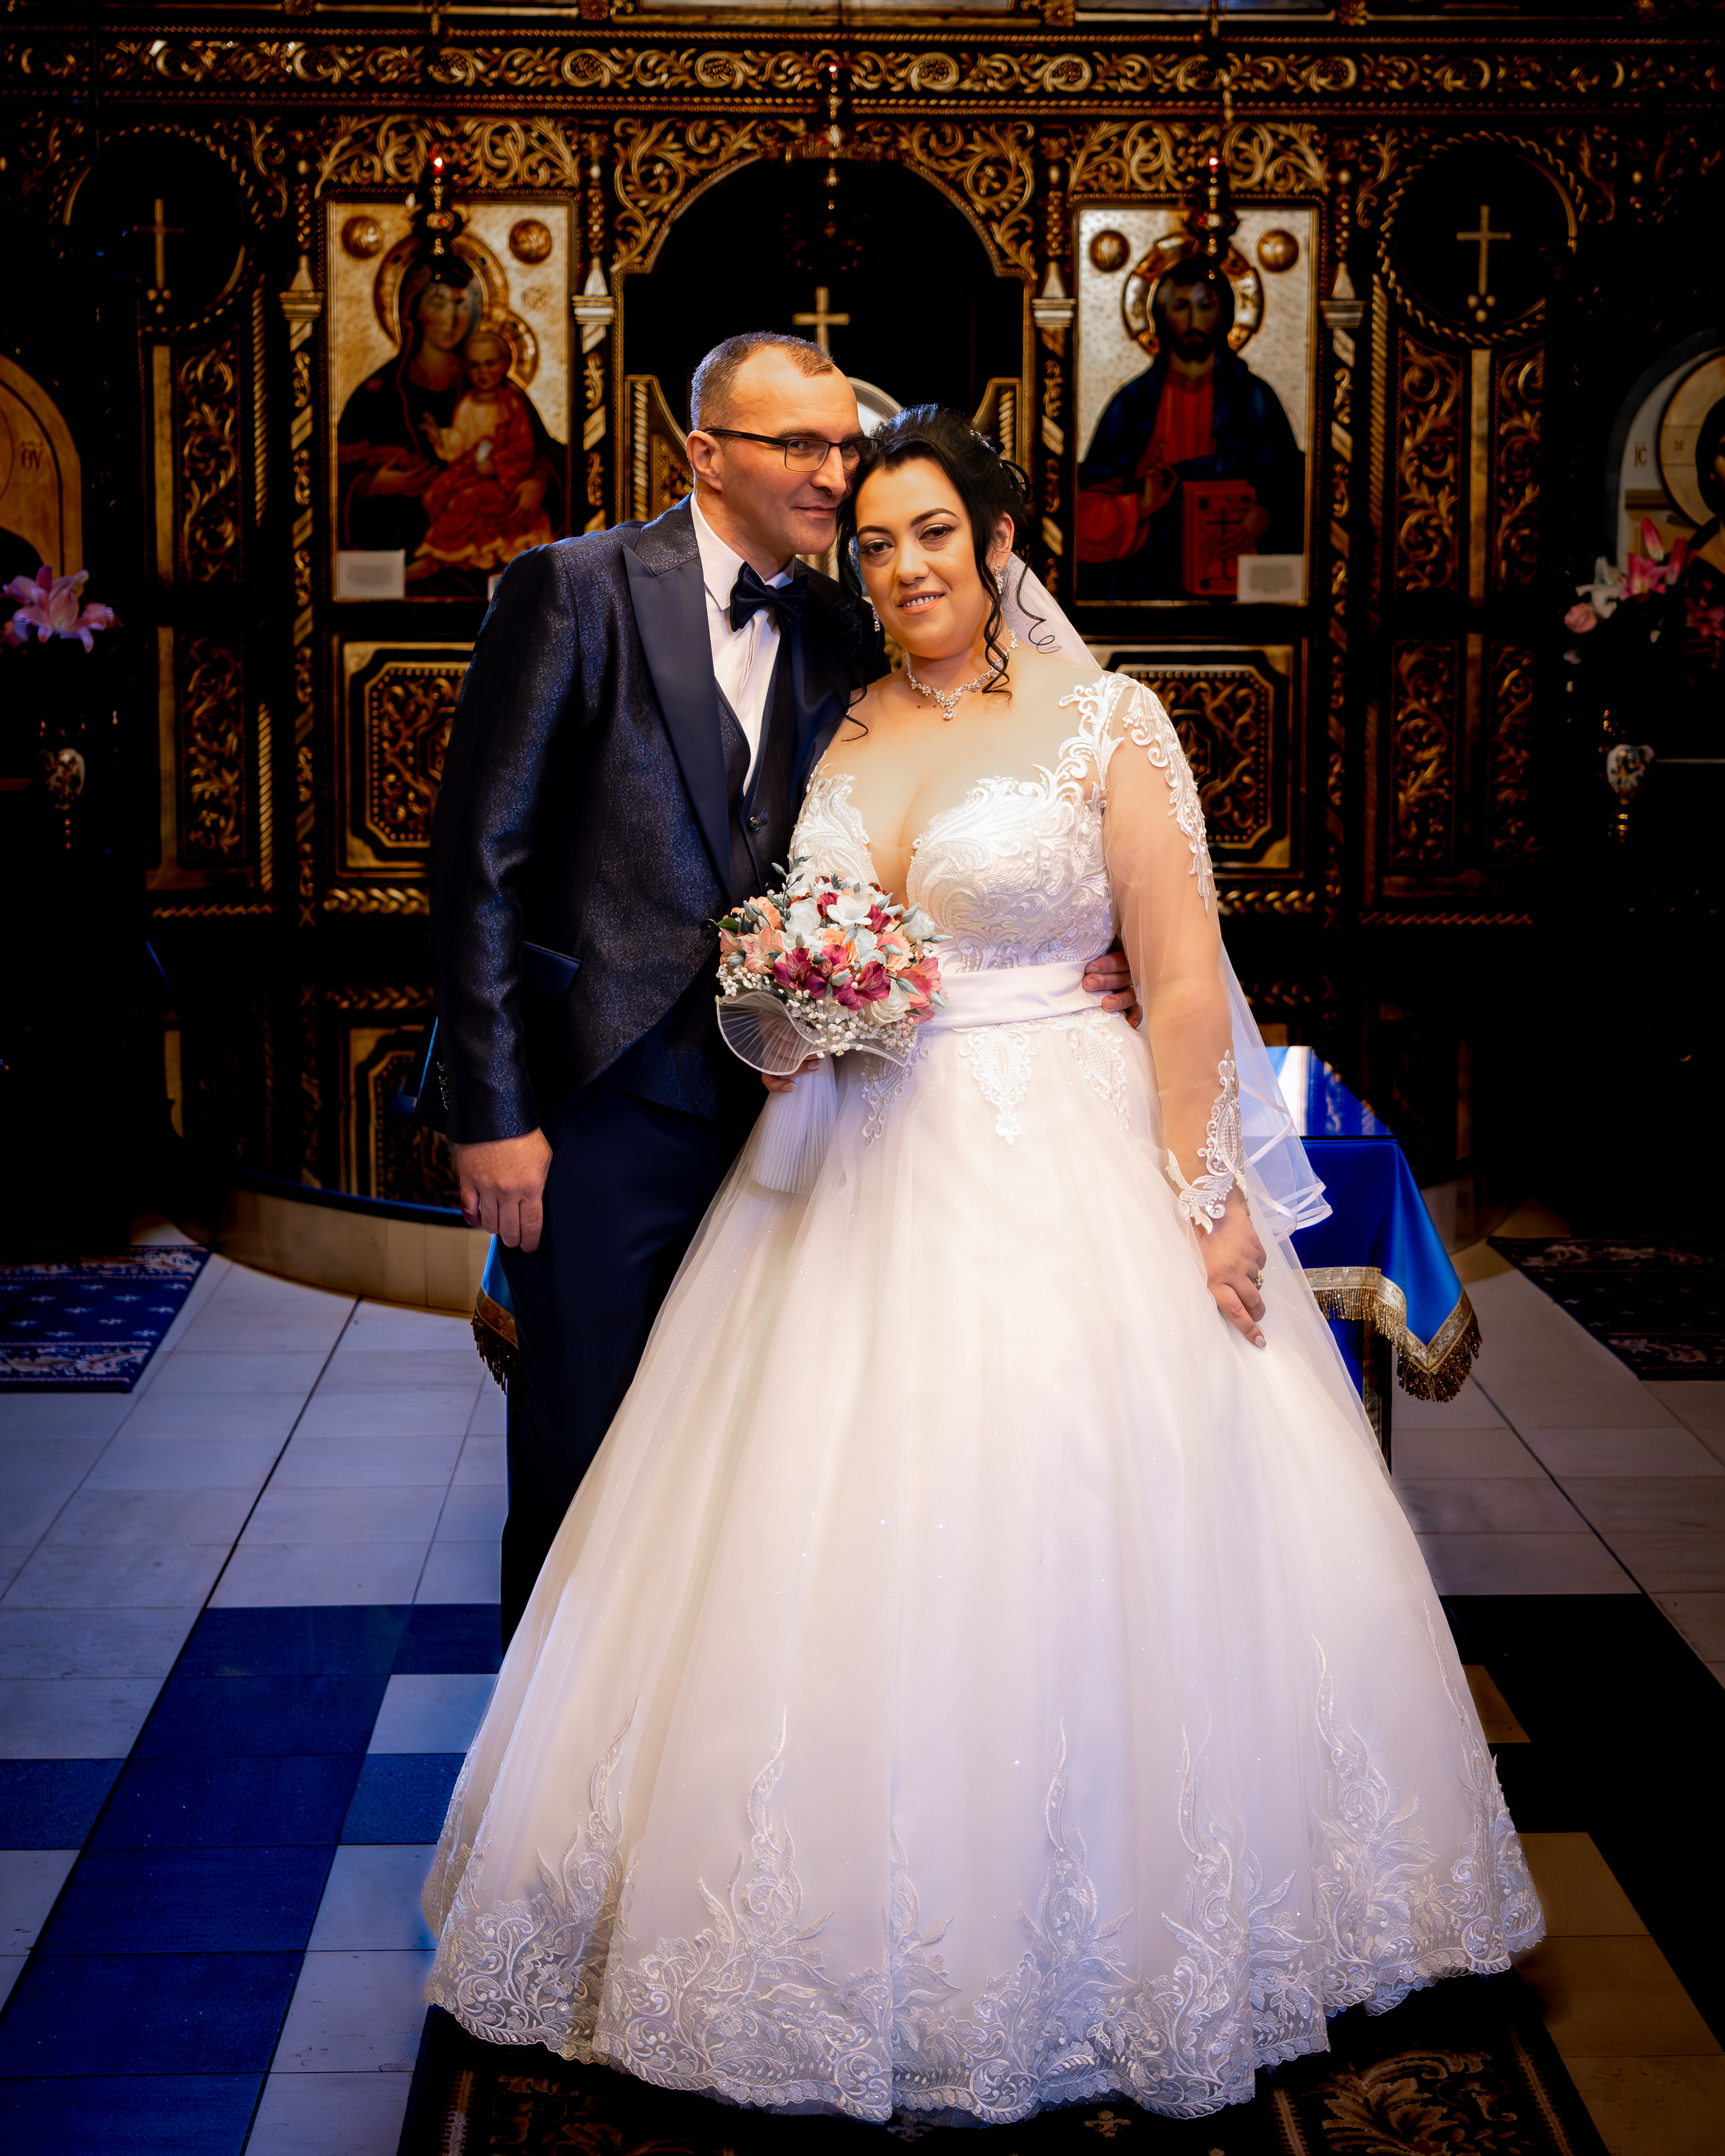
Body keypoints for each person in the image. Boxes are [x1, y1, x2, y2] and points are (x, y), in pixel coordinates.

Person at [421, 408, 1541, 2125]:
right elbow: (781, 961)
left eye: (933, 532)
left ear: (1002, 541)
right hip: (841, 1160)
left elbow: (1179, 973)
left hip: (1065, 1152)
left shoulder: (1108, 721)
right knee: (803, 1527)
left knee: (1084, 1513)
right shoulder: (847, 722)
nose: (902, 568)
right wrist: (790, 1016)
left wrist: (1205, 1190)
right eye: (873, 544)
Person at [428, 330, 1143, 1639]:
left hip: (795, 1114)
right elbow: (480, 861)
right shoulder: (572, 588)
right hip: (601, 1103)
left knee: (738, 1468)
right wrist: (492, 1113)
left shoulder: (844, 623)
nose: (832, 472)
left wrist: (1087, 938)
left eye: (843, 448)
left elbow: (958, 788)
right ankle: (545, 1742)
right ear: (706, 454)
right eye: (799, 446)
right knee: (581, 1452)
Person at [1077, 254, 1302, 602]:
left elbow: (1293, 486)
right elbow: (1086, 505)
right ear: (1161, 316)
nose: (1193, 320)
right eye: (1181, 306)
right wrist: (1139, 504)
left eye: (1205, 306)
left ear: (1225, 315)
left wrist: (1265, 513)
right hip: (1147, 581)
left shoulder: (1253, 398)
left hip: (1238, 576)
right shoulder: (1133, 404)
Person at [336, 253, 563, 586]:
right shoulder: (377, 393)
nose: (452, 318)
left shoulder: (498, 391)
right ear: (414, 310)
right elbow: (326, 475)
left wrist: (538, 480)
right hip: (393, 553)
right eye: (439, 302)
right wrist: (371, 485)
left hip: (486, 543)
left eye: (462, 304)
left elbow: (541, 449)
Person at [412, 330, 554, 577]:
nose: (483, 372)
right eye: (475, 366)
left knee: (463, 501)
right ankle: (463, 554)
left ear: (505, 364)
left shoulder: (511, 405)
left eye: (490, 364)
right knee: (433, 494)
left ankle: (443, 555)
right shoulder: (467, 403)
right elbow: (460, 439)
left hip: (502, 479)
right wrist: (442, 439)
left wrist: (496, 465)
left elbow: (523, 447)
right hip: (469, 471)